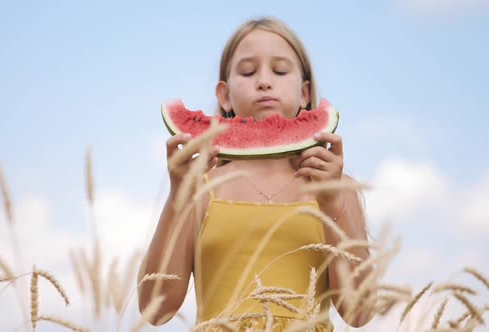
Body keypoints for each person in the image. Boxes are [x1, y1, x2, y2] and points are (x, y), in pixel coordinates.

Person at [138, 16, 373, 331]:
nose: (264, 81)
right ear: (224, 95)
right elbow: (156, 309)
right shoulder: (205, 189)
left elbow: (360, 312)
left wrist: (333, 205)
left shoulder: (335, 186)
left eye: (279, 70)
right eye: (248, 71)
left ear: (305, 92)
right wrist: (178, 198)